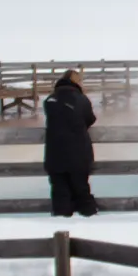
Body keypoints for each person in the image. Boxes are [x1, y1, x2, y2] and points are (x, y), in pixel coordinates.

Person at [43, 69, 98, 217]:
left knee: (60, 192)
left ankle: (61, 226)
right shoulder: (81, 99)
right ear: (77, 82)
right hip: (78, 154)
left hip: (54, 155)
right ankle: (90, 222)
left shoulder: (49, 100)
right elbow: (90, 119)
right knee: (81, 190)